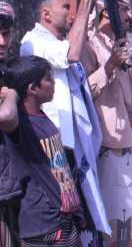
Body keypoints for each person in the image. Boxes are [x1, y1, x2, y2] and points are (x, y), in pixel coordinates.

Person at [20, 0, 110, 239]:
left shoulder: (57, 41)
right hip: (54, 152)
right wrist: (85, 0)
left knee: (85, 223)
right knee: (69, 225)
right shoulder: (32, 42)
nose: (71, 13)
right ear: (46, 14)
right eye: (65, 7)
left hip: (75, 151)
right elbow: (70, 54)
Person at [83, 0, 132, 246]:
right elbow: (85, 91)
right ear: (106, 12)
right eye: (124, 10)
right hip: (108, 143)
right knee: (117, 216)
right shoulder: (88, 45)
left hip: (127, 138)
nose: (130, 17)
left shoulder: (115, 42)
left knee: (131, 212)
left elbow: (131, 97)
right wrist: (110, 64)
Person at [1, 56, 84, 246]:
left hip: (62, 222)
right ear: (33, 89)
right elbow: (5, 116)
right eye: (48, 79)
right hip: (44, 226)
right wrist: (12, 94)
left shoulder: (41, 117)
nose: (53, 83)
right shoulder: (21, 123)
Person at [0, 2, 20, 247]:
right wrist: (12, 95)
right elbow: (7, 118)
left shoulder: (7, 71)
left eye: (5, 34)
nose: (2, 42)